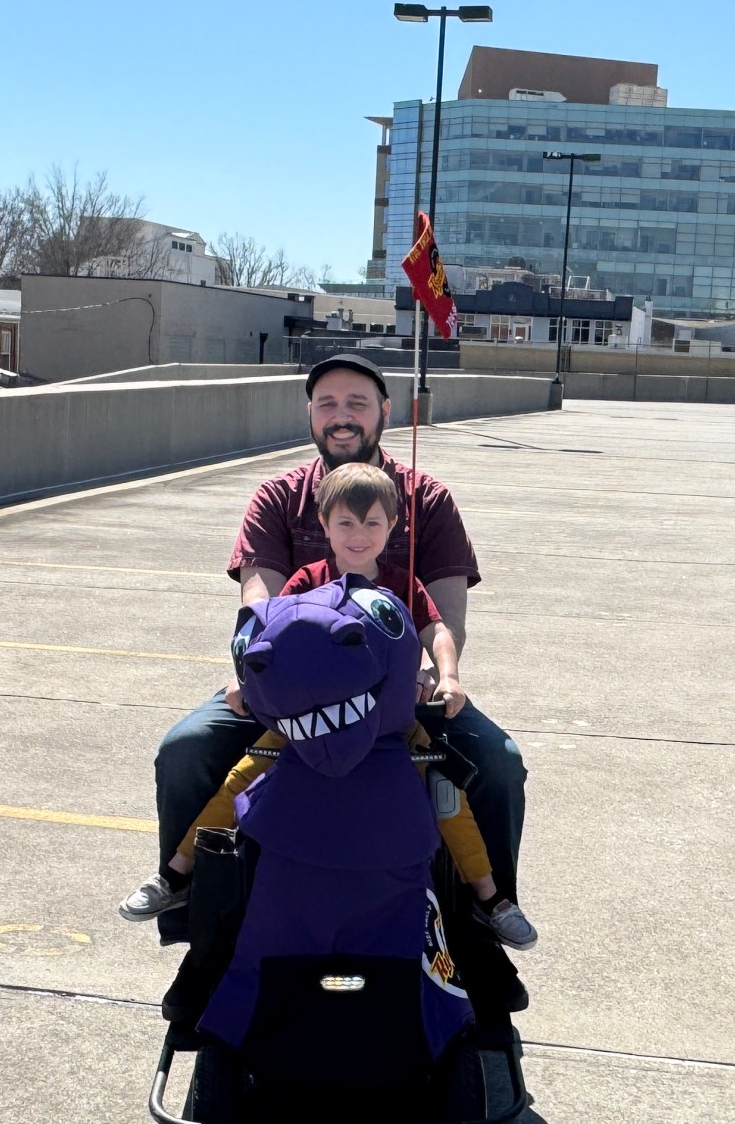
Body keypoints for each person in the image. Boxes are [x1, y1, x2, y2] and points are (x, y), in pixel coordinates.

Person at [146, 354, 529, 913]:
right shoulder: (277, 497)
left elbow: (446, 616)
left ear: (385, 413)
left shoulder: (428, 499)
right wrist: (247, 676)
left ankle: (489, 912)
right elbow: (259, 605)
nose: (341, 416)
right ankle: (194, 903)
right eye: (327, 404)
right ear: (310, 415)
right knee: (184, 750)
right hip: (291, 688)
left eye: (357, 403)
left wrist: (437, 675)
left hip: (396, 694)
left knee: (499, 763)